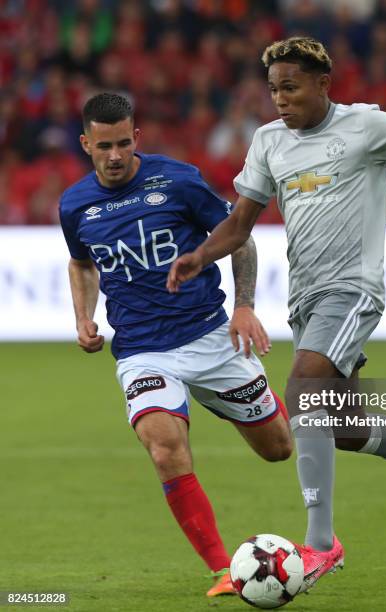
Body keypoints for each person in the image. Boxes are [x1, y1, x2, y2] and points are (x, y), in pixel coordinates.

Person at [166, 37, 386, 592]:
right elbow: (239, 225)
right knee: (343, 429)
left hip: (353, 289)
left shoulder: (367, 125)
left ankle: (319, 545)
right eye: (273, 90)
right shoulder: (267, 142)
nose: (280, 100)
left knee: (305, 390)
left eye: (290, 88)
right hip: (306, 299)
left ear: (322, 85)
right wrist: (199, 255)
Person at [59, 93, 293, 598]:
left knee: (278, 449)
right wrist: (83, 317)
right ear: (86, 144)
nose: (116, 155)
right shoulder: (75, 205)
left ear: (136, 137)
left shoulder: (179, 181)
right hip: (142, 350)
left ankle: (249, 400)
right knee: (165, 449)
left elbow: (239, 234)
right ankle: (222, 572)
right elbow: (82, 263)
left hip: (210, 337)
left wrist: (244, 306)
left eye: (124, 143)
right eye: (104, 146)